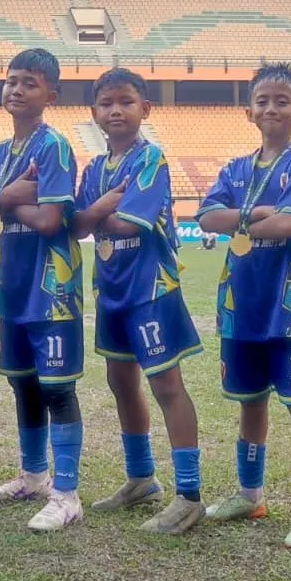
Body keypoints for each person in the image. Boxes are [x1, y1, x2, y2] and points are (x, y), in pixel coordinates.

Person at [195, 63, 291, 551]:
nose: (271, 108)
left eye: (282, 100)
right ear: (248, 110)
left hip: (289, 306)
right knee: (250, 403)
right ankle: (250, 494)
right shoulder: (235, 169)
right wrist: (257, 214)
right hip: (240, 303)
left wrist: (244, 221)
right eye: (263, 100)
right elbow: (206, 217)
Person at [73, 67, 208, 535]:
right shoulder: (93, 169)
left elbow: (129, 224)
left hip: (150, 288)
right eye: (106, 103)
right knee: (120, 381)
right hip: (110, 288)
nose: (115, 110)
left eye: (126, 102)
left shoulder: (151, 159)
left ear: (144, 109)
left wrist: (97, 212)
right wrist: (100, 208)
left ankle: (189, 494)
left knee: (167, 384)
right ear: (94, 112)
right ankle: (140, 477)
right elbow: (77, 225)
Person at [0, 49, 84, 531]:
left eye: (29, 83)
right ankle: (33, 475)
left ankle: (67, 493)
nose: (16, 90)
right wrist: (3, 198)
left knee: (57, 388)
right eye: (11, 81)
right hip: (14, 286)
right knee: (22, 382)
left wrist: (7, 201)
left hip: (53, 288)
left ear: (50, 95)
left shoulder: (55, 147)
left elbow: (49, 220)